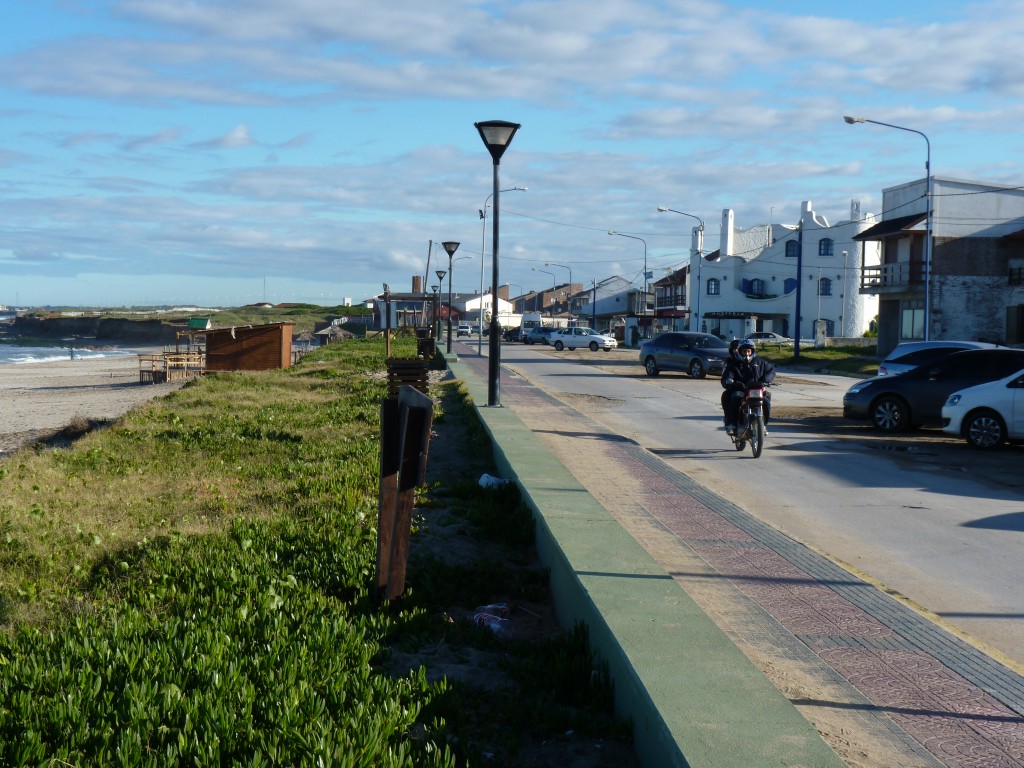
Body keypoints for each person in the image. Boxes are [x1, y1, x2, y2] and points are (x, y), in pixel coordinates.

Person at [721, 339, 775, 434]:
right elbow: (727, 375)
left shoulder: (760, 362)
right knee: (735, 398)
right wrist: (730, 381)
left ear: (752, 351)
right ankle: (731, 423)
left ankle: (764, 425)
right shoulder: (733, 364)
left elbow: (771, 371)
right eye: (744, 351)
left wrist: (765, 381)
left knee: (766, 401)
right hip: (741, 389)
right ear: (740, 351)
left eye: (749, 351)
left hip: (757, 390)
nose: (747, 353)